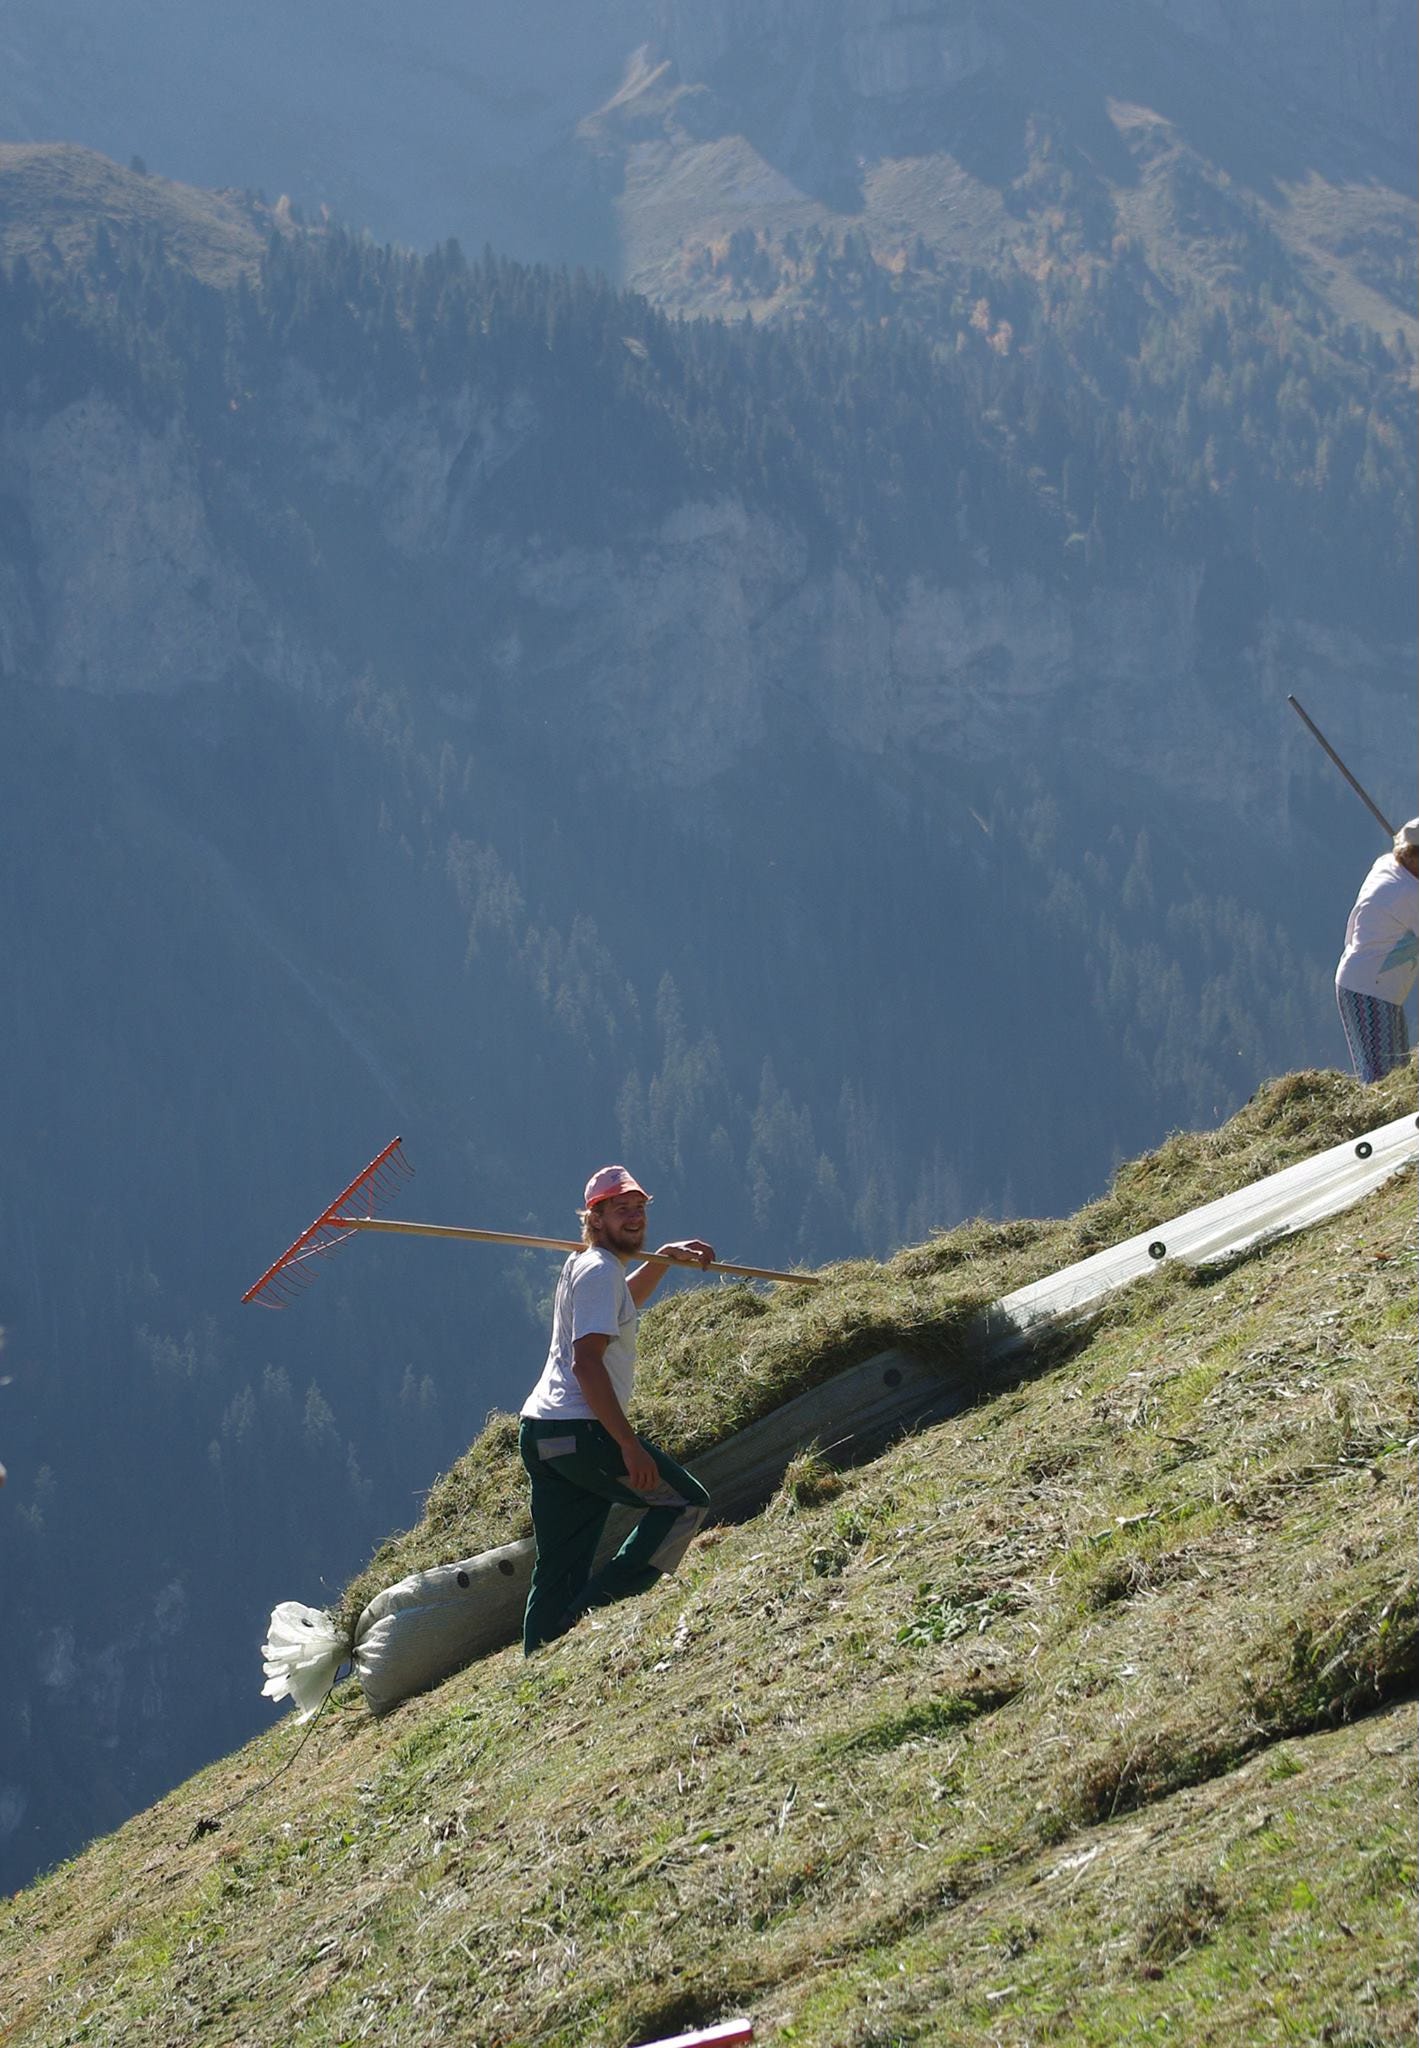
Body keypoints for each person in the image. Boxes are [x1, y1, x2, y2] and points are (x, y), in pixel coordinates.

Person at [518, 1165, 715, 1654]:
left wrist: (664, 1259)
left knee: (560, 1563)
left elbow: (622, 1304)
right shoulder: (600, 1269)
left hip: (541, 1435)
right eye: (621, 1209)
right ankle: (591, 1614)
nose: (634, 1217)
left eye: (639, 1208)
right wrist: (629, 1445)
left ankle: (541, 1655)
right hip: (582, 1430)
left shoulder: (586, 1265)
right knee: (684, 1503)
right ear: (595, 1216)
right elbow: (587, 1365)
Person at [1335, 819, 1419, 1083]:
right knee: (1381, 1078)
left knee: (1398, 1072)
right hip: (1368, 990)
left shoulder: (1388, 864)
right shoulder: (1406, 893)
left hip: (1372, 984)